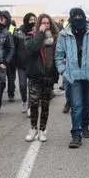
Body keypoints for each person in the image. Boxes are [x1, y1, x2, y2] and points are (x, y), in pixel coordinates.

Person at [55, 8, 89, 148]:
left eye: (80, 16)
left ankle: (85, 126)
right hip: (73, 75)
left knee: (87, 103)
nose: (78, 18)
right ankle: (76, 135)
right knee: (77, 105)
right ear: (71, 18)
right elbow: (58, 55)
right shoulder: (64, 34)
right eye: (75, 16)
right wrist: (63, 71)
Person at [24, 14, 60, 142]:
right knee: (34, 103)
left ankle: (42, 129)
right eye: (43, 22)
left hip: (48, 76)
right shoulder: (31, 36)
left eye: (48, 23)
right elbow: (33, 48)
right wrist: (40, 33)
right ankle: (33, 128)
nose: (45, 25)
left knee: (45, 105)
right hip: (35, 75)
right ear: (39, 24)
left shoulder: (56, 38)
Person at [14, 13, 36, 113]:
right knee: (22, 85)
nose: (32, 21)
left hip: (33, 63)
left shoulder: (37, 32)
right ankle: (24, 101)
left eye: (34, 19)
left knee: (31, 86)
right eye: (30, 20)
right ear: (26, 20)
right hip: (21, 63)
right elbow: (13, 47)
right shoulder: (18, 32)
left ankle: (30, 106)